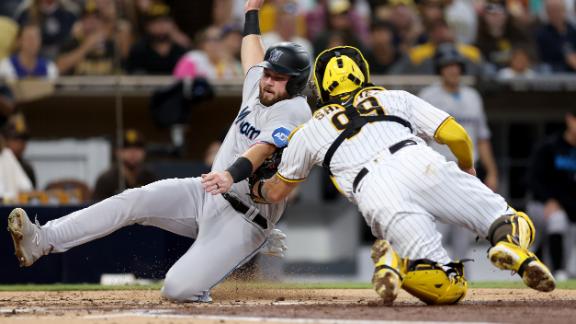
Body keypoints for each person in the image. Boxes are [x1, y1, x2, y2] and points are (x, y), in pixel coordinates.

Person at [7, 0, 311, 303]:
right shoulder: (261, 85)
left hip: (245, 218)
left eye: (278, 77)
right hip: (208, 193)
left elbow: (263, 148)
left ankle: (233, 266)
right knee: (132, 199)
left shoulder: (295, 110)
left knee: (177, 290)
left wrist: (231, 175)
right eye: (268, 73)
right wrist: (251, 13)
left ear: (295, 83)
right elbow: (252, 51)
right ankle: (42, 239)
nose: (268, 80)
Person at [243, 46, 555, 305]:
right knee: (510, 220)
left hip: (375, 191)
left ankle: (398, 263)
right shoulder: (394, 97)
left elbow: (275, 193)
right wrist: (467, 167)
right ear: (362, 75)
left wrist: (254, 188)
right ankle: (507, 245)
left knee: (447, 289)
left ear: (322, 86)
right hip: (421, 163)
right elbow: (456, 135)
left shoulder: (307, 131)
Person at [418, 43, 499, 260]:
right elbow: (418, 137)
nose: (453, 70)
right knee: (437, 230)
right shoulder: (428, 95)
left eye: (456, 66)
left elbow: (482, 137)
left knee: (463, 230)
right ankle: (430, 272)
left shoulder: (473, 96)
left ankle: (464, 278)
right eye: (447, 66)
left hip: (467, 171)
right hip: (438, 171)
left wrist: (491, 171)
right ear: (440, 69)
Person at [527, 110, 576, 281]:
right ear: (570, 120)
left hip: (569, 208)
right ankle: (559, 270)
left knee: (562, 246)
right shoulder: (549, 146)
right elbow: (533, 179)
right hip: (542, 204)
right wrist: (550, 199)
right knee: (558, 219)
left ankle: (549, 267)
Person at [91, 129, 157, 201]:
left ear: (144, 152)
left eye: (138, 147)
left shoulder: (150, 178)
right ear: (117, 152)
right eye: (127, 148)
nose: (133, 152)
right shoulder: (106, 180)